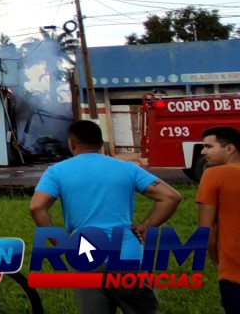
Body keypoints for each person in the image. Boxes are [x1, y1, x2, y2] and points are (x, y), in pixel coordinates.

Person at [30, 119, 182, 313]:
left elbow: (36, 207)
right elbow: (171, 197)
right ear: (101, 144)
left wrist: (60, 243)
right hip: (127, 256)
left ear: (72, 143)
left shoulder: (56, 172)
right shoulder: (127, 168)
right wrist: (146, 226)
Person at [196, 126, 240, 313]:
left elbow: (206, 232)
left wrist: (218, 264)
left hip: (234, 272)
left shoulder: (214, 174)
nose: (203, 151)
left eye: (208, 146)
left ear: (229, 149)